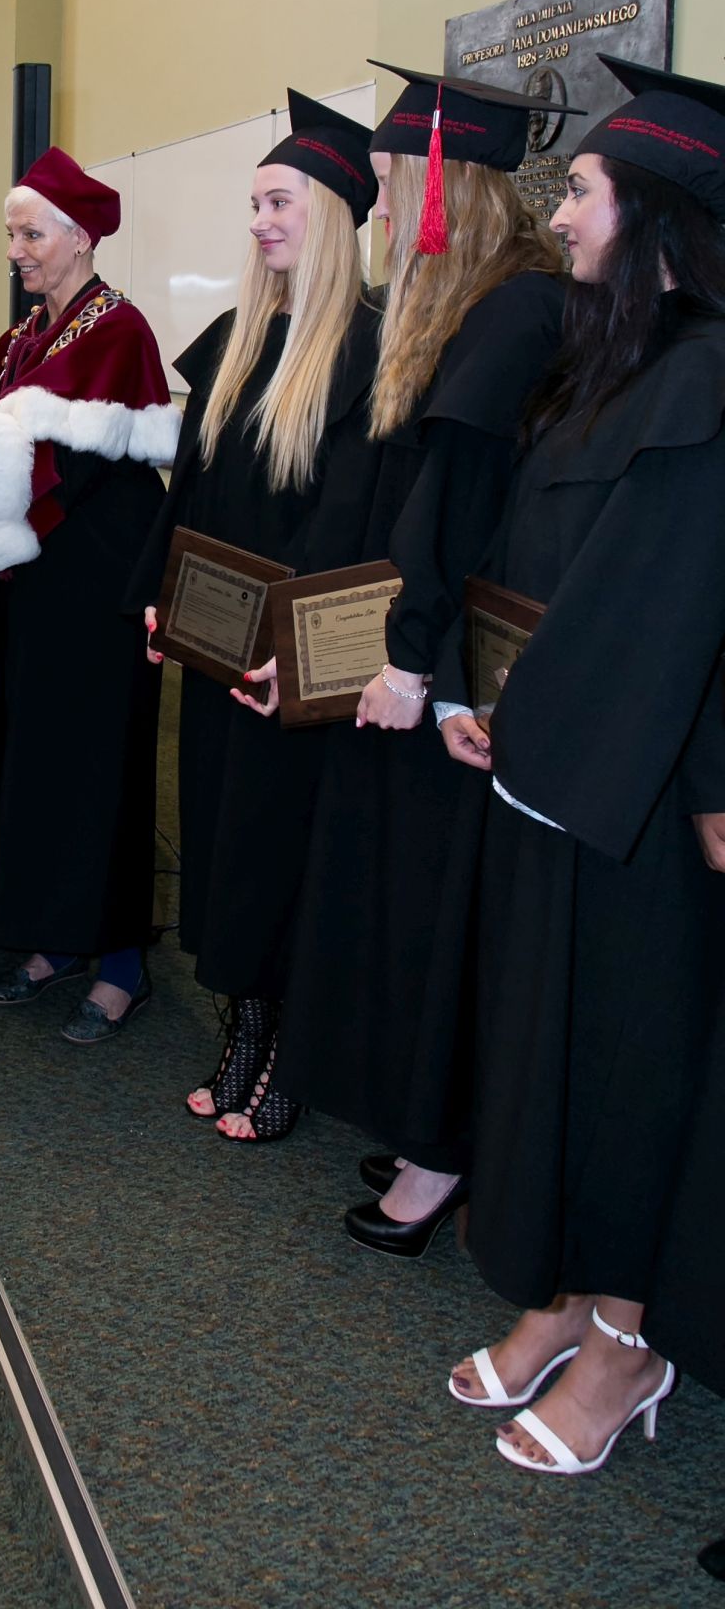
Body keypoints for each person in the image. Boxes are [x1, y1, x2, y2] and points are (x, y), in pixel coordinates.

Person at [439, 58, 725, 1475]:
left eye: (586, 192)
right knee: (551, 1045)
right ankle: (564, 1291)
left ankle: (626, 1336)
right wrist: (481, 693)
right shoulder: (610, 367)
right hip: (557, 765)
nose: (558, 217)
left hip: (645, 795)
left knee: (628, 1062)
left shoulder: (708, 377)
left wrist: (542, 728)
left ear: (659, 218)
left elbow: (674, 615)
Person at [271, 64, 573, 1249]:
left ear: (455, 194)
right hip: (437, 657)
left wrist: (406, 667)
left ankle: (440, 1150)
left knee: (438, 917)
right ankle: (424, 1125)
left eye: (396, 185)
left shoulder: (513, 312)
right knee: (400, 904)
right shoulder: (468, 306)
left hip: (458, 675)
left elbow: (453, 512)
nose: (385, 210)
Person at [126, 88, 381, 1134]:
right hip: (215, 642)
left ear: (334, 215)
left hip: (287, 659)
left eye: (279, 203)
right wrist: (158, 594)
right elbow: (187, 487)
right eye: (255, 204)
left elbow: (351, 523)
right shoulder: (235, 335)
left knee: (282, 849)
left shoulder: (366, 348)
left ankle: (285, 1050)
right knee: (225, 839)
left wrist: (293, 645)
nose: (261, 221)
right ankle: (243, 1022)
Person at [0, 148, 179, 1041]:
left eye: (30, 234)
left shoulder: (119, 328)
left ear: (81, 237)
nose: (16, 250)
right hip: (38, 576)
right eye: (13, 233)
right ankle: (58, 938)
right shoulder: (30, 332)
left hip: (99, 575)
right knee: (40, 758)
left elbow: (77, 464)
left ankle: (121, 961)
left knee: (99, 763)